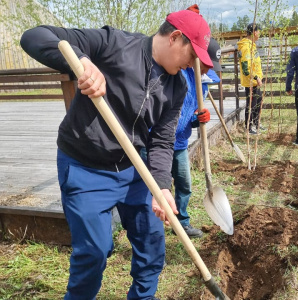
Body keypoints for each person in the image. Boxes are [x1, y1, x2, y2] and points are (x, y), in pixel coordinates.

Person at [20, 10, 212, 300]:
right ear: (175, 38)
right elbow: (34, 37)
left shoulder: (178, 86)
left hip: (135, 168)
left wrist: (161, 185)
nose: (193, 63)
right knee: (94, 252)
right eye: (192, 54)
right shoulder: (114, 45)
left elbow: (161, 141)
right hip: (86, 167)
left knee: (151, 244)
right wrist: (82, 62)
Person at [171, 37, 222, 238]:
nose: (209, 70)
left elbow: (189, 113)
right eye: (207, 65)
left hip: (181, 142)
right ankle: (155, 233)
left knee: (184, 184)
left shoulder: (203, 83)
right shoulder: (178, 73)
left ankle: (181, 223)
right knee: (160, 190)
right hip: (157, 143)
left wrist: (197, 118)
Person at [237, 23, 264, 135]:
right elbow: (246, 68)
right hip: (251, 81)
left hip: (256, 81)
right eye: (259, 32)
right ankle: (249, 126)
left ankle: (257, 123)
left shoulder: (252, 45)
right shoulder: (246, 47)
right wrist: (256, 77)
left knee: (258, 102)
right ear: (254, 32)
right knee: (251, 104)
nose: (259, 34)